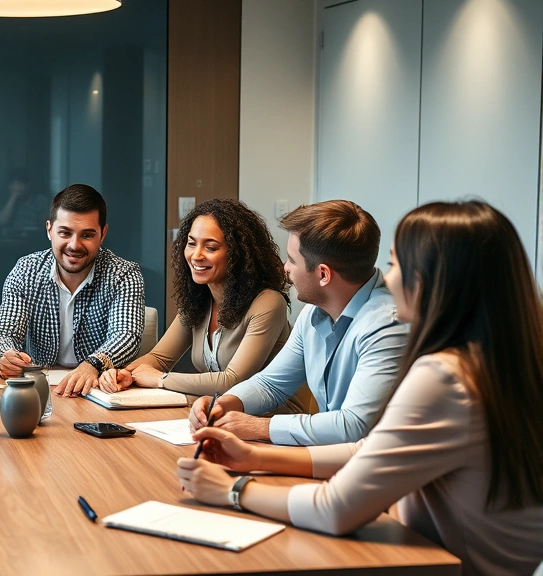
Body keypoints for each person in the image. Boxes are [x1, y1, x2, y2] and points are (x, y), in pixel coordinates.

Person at [178, 200, 543, 576]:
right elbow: (370, 450)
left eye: (397, 264)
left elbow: (335, 506)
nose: (389, 278)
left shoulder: (443, 375)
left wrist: (233, 491)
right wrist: (254, 458)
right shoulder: (487, 362)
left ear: (431, 281)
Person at [189, 200, 408, 445]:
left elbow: (353, 426)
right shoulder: (314, 312)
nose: (285, 268)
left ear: (323, 274)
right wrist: (227, 404)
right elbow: (270, 384)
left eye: (292, 260)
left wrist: (258, 426)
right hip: (334, 460)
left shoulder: (388, 326)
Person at [101, 199, 310, 416]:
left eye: (210, 247)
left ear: (237, 253)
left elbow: (232, 381)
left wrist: (161, 379)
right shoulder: (199, 298)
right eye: (191, 243)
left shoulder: (268, 302)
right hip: (217, 410)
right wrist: (123, 373)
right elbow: (160, 359)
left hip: (271, 419)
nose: (196, 255)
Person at [0, 184, 145, 397]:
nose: (74, 245)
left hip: (99, 391)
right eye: (65, 233)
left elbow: (126, 335)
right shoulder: (26, 270)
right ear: (49, 230)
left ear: (103, 234)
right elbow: (3, 334)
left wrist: (93, 364)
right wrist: (4, 356)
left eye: (87, 235)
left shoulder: (124, 274)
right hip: (39, 391)